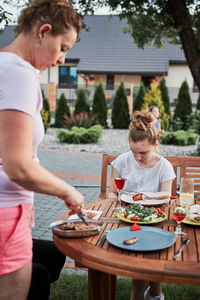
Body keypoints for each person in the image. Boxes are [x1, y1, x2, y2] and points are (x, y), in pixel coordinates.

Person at [0, 1, 84, 299]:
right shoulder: (19, 73)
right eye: (63, 47)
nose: (62, 59)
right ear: (43, 31)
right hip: (6, 212)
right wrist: (67, 191)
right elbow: (18, 166)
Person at [108, 111, 175, 300]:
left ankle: (141, 296)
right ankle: (155, 293)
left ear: (155, 145)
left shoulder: (164, 166)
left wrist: (143, 196)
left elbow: (166, 194)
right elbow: (112, 191)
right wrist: (116, 203)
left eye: (143, 152)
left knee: (146, 247)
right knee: (145, 248)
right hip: (125, 217)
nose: (137, 158)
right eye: (133, 151)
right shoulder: (123, 160)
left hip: (155, 219)